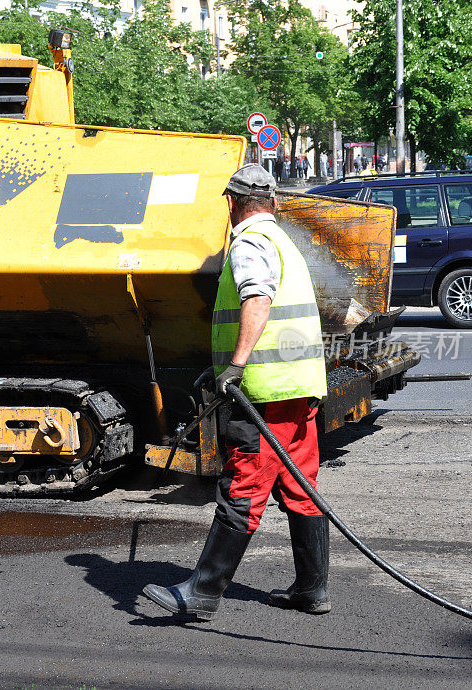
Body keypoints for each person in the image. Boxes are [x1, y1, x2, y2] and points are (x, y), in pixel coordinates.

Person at [142, 164, 330, 621]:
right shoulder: (283, 240)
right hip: (299, 389)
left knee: (243, 486)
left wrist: (237, 365)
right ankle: (312, 589)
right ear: (273, 202)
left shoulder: (248, 241)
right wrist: (222, 364)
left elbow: (258, 298)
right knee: (301, 486)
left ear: (231, 202)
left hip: (264, 393)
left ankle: (203, 591)